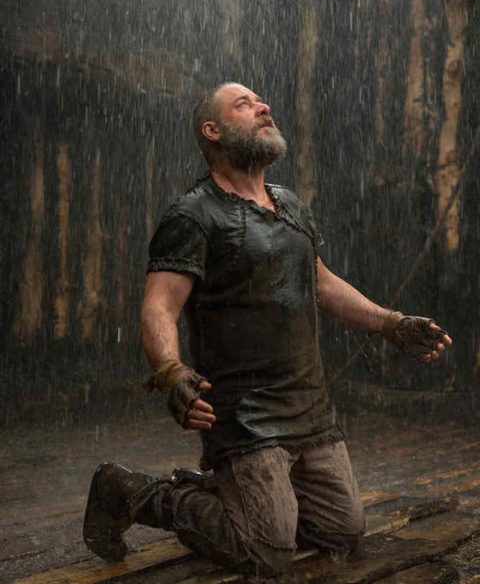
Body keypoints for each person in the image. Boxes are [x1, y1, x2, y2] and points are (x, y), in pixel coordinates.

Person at [83, 82, 452, 578]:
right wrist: (170, 370)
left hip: (309, 409)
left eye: (260, 101)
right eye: (245, 104)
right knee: (266, 550)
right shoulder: (193, 215)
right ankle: (129, 490)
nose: (264, 107)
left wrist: (391, 323)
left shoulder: (291, 205)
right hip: (245, 417)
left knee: (342, 532)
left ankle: (231, 492)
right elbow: (159, 307)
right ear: (213, 131)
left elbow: (322, 285)